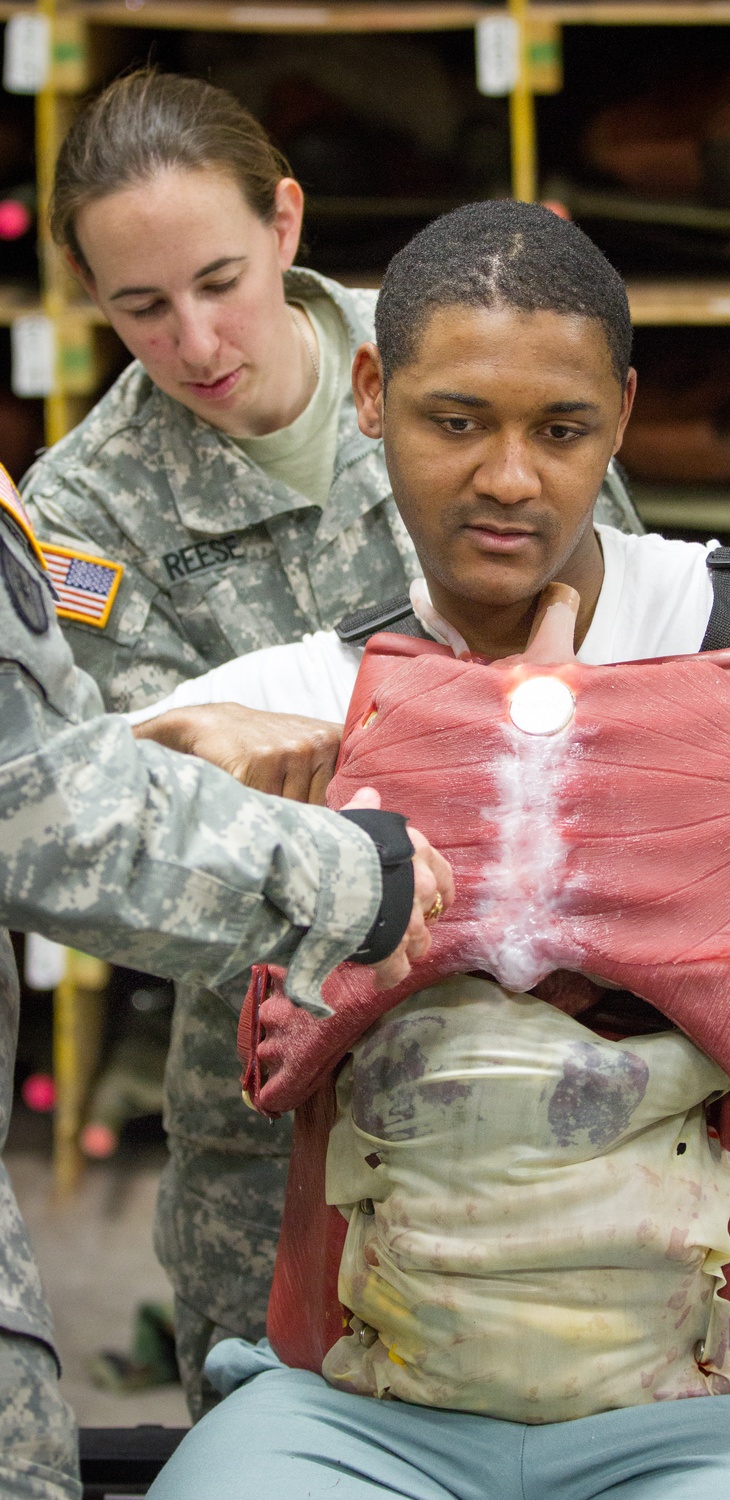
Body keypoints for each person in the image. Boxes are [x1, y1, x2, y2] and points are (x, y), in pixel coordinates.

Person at [133, 202, 730, 1498]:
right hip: (359, 1413)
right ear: (372, 394)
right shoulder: (300, 695)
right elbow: (43, 818)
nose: (509, 478)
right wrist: (167, 763)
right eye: (456, 420)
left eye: (562, 429)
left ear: (626, 416)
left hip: (724, 1418)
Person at [18, 72, 643, 1410]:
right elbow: (127, 835)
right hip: (279, 1075)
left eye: (219, 279)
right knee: (275, 1422)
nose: (193, 339)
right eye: (140, 308)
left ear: (287, 221)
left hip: (552, 1026)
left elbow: (633, 648)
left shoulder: (465, 351)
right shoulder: (83, 516)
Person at [0, 465, 452, 1499]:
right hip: (271, 1119)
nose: (196, 341)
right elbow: (36, 804)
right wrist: (341, 875)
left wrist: (145, 748)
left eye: (216, 286)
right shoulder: (94, 490)